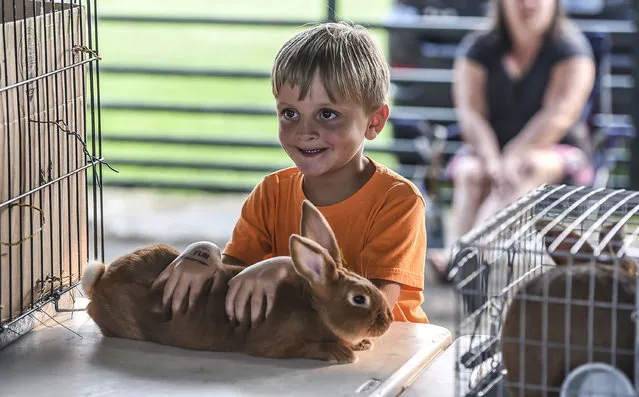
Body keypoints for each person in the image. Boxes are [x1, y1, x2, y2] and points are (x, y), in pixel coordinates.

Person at [152, 21, 429, 325]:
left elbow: (368, 310)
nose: (305, 131)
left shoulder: (398, 202)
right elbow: (232, 278)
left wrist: (286, 268)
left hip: (393, 356)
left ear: (374, 122)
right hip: (298, 352)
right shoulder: (271, 193)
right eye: (290, 113)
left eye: (327, 114)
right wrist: (204, 254)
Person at [428, 0, 596, 281]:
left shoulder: (571, 49)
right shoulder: (479, 47)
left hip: (555, 150)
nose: (527, 3)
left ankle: (470, 254)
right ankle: (463, 255)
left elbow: (558, 116)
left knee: (523, 168)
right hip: (488, 149)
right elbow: (471, 115)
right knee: (471, 173)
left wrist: (512, 157)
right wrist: (493, 159)